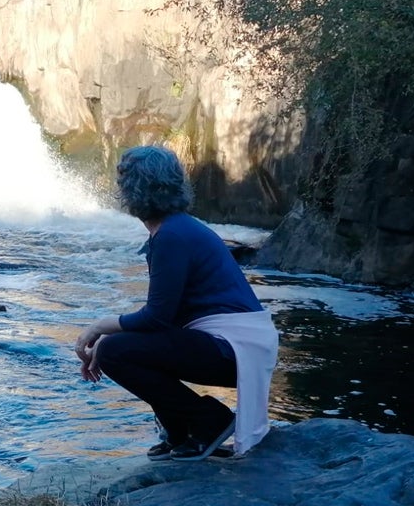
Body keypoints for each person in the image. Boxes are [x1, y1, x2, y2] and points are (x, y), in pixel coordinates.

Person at [74, 145, 279, 461]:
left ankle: (209, 423)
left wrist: (100, 329)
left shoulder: (172, 236)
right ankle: (181, 434)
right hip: (239, 345)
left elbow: (157, 319)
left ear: (132, 192)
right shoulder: (176, 228)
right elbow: (164, 323)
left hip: (233, 348)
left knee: (116, 351)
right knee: (119, 347)